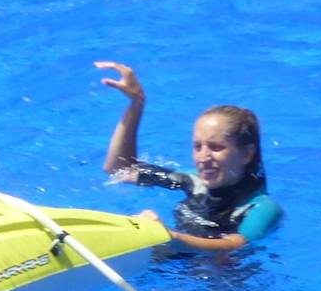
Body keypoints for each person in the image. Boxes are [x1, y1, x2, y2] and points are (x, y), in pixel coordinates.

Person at [95, 60, 281, 252]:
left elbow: (231, 246)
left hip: (226, 270)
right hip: (176, 258)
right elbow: (119, 170)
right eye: (197, 147)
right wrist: (136, 103)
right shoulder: (193, 180)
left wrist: (169, 236)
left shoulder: (262, 208)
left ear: (247, 154)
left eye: (216, 148)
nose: (203, 157)